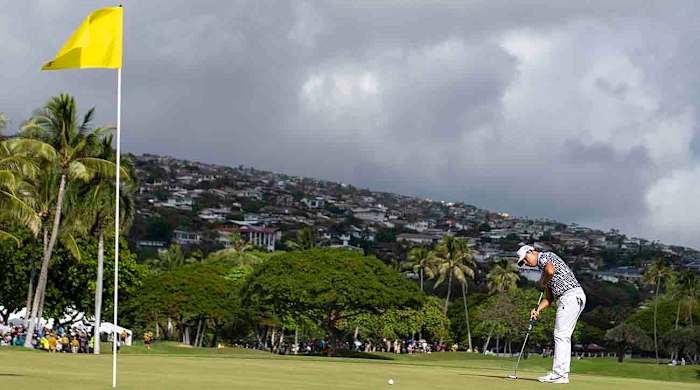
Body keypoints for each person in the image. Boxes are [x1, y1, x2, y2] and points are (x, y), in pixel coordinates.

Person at [516, 245, 586, 384]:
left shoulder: (545, 257)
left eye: (525, 259)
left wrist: (543, 282)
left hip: (569, 296)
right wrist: (537, 309)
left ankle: (559, 374)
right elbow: (549, 299)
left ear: (531, 252)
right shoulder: (544, 271)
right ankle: (561, 374)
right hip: (572, 298)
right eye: (523, 262)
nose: (526, 263)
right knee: (563, 336)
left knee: (560, 336)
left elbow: (550, 270)